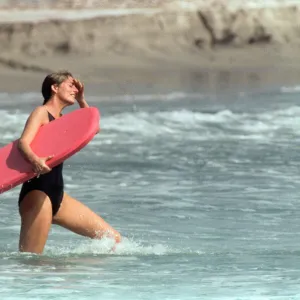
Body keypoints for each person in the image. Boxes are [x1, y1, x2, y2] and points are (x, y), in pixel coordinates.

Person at [17, 70, 121, 254]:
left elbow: (93, 128)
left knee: (113, 240)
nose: (75, 89)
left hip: (58, 195)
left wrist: (82, 99)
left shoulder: (63, 121)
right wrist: (36, 160)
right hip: (38, 193)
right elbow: (23, 142)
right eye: (70, 85)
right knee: (32, 261)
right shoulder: (41, 112)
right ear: (55, 88)